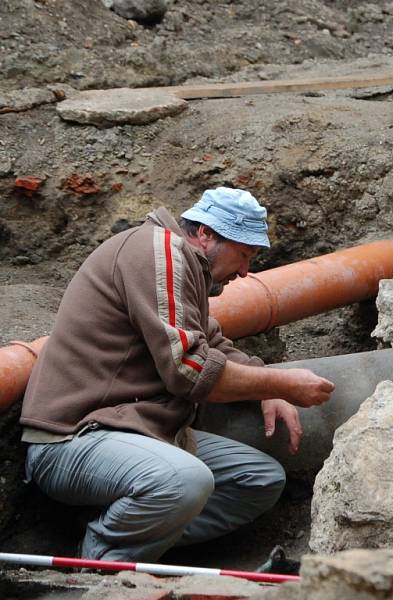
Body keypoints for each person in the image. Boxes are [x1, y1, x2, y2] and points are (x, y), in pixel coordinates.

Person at [20, 187, 335, 561]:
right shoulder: (161, 253)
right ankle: (102, 563)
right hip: (74, 439)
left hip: (138, 433)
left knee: (258, 480)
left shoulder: (182, 265)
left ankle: (128, 530)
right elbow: (188, 370)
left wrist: (261, 380)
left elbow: (211, 342)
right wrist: (283, 383)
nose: (245, 271)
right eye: (243, 254)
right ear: (206, 234)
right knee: (185, 481)